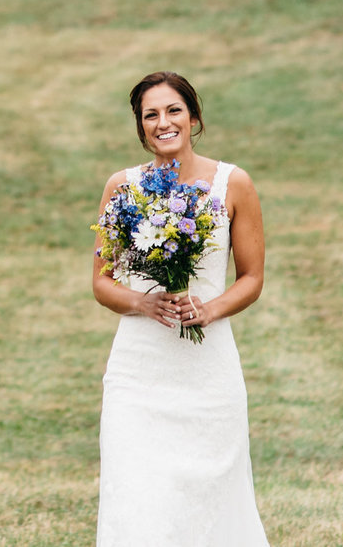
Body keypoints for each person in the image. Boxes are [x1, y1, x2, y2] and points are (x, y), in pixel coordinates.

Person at [91, 70, 269, 545]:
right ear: (140, 127)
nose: (162, 122)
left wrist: (210, 311)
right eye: (150, 115)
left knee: (210, 498)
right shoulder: (121, 188)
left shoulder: (234, 184)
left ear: (194, 118)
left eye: (173, 110)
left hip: (207, 371)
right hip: (139, 374)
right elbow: (101, 283)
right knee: (138, 499)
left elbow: (251, 278)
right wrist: (143, 303)